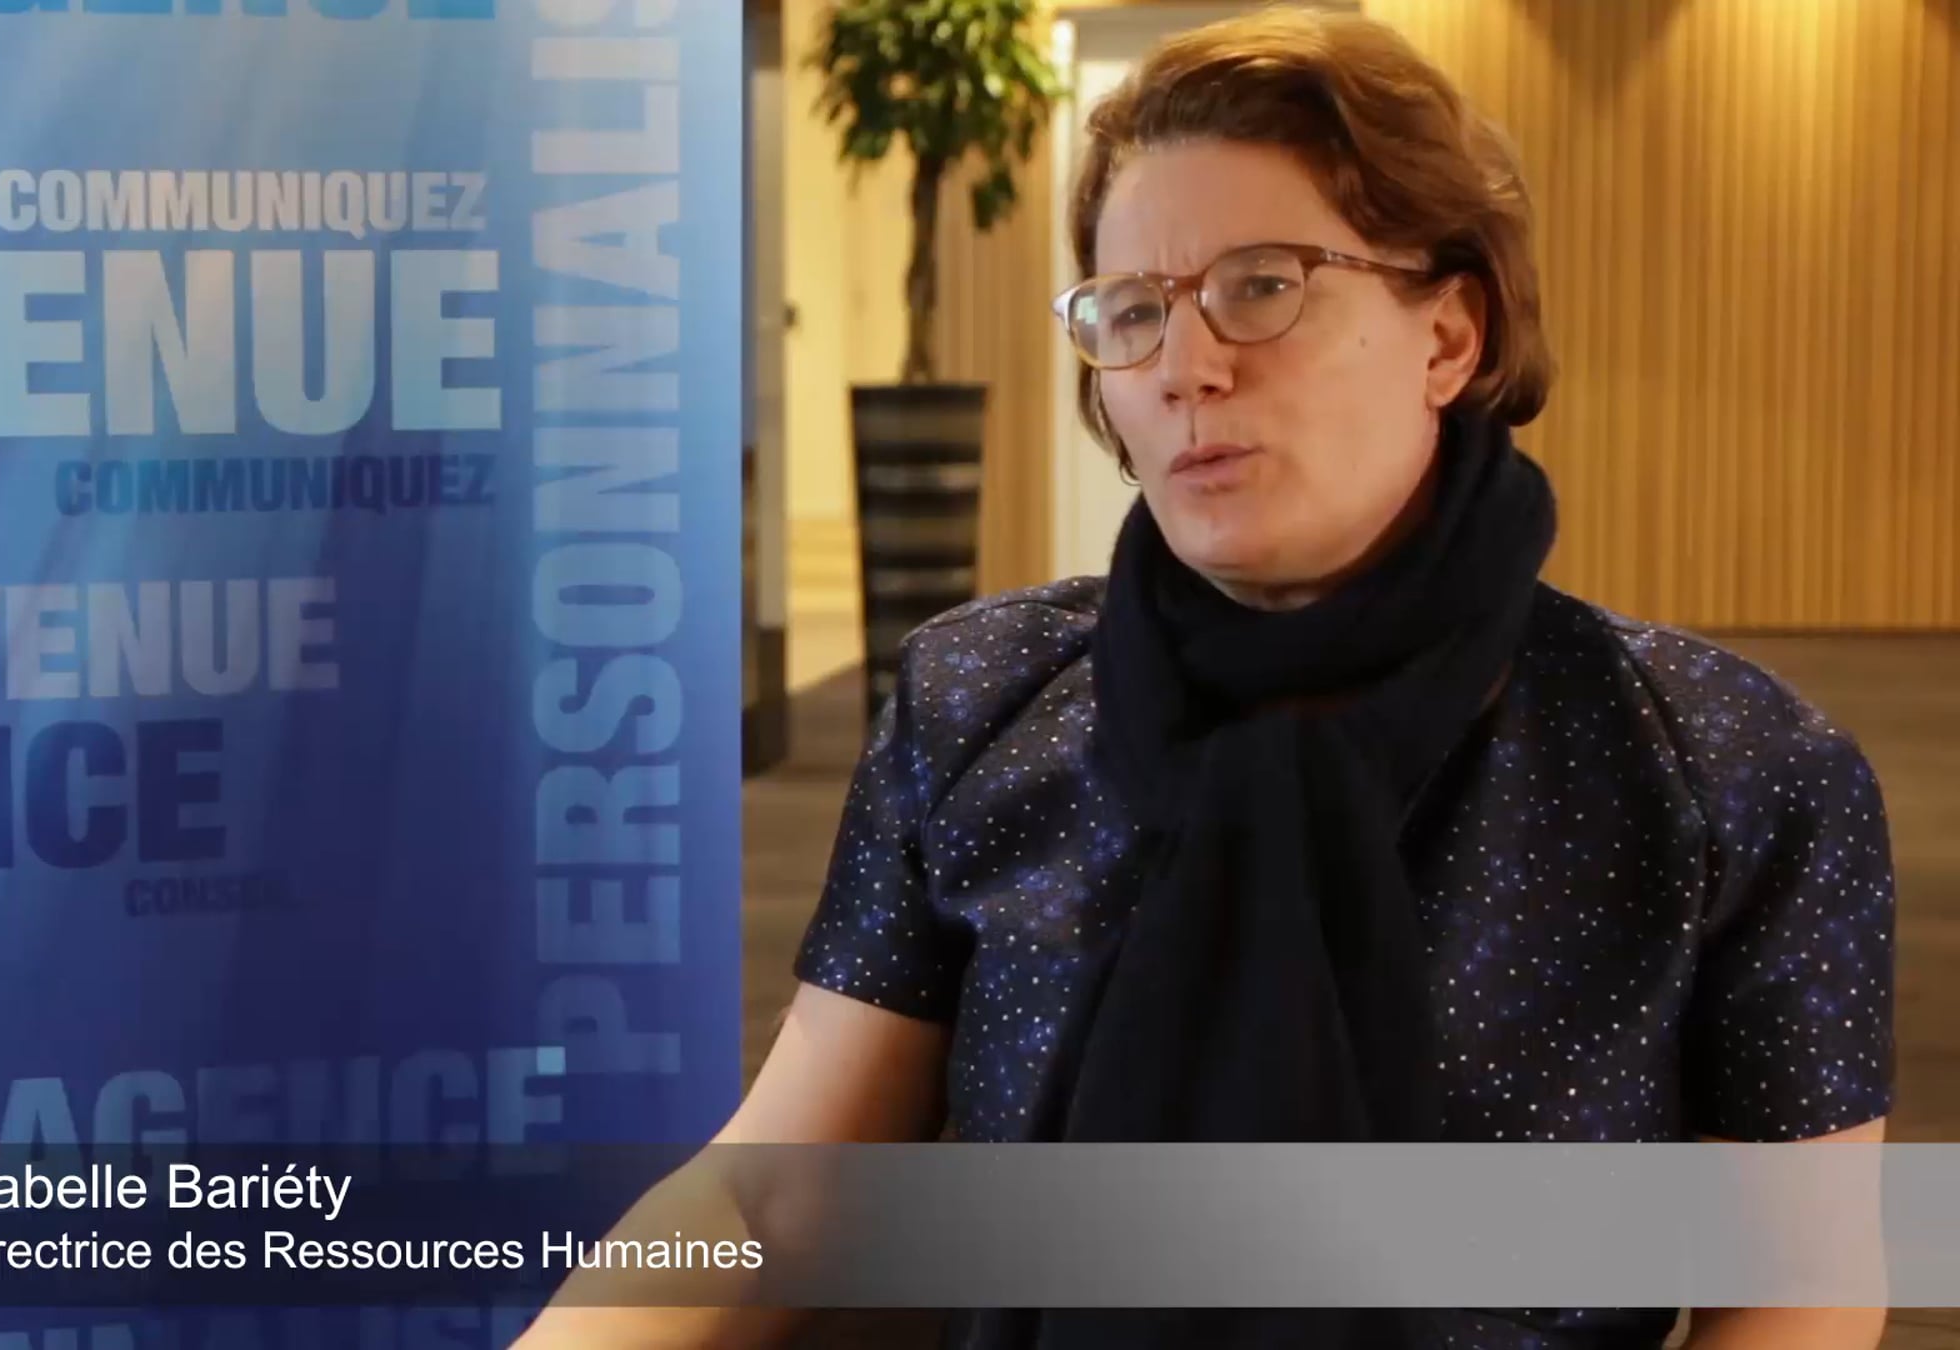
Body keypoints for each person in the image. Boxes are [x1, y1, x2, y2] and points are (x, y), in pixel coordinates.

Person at [515, 8, 1896, 1348]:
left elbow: (1805, 1295)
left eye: (1262, 286)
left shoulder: (1722, 767)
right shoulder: (983, 700)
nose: (1185, 367)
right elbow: (771, 1199)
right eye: (1133, 311)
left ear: (1449, 335)